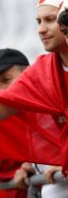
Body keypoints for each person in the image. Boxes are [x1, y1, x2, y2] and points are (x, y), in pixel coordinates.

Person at [0, 0, 68, 196]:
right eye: (38, 22)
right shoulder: (41, 71)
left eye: (50, 20)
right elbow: (4, 106)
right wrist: (36, 164)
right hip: (67, 178)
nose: (42, 29)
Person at [0, 48, 29, 198]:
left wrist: (35, 169)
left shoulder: (49, 110)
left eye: (6, 80)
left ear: (28, 75)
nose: (0, 91)